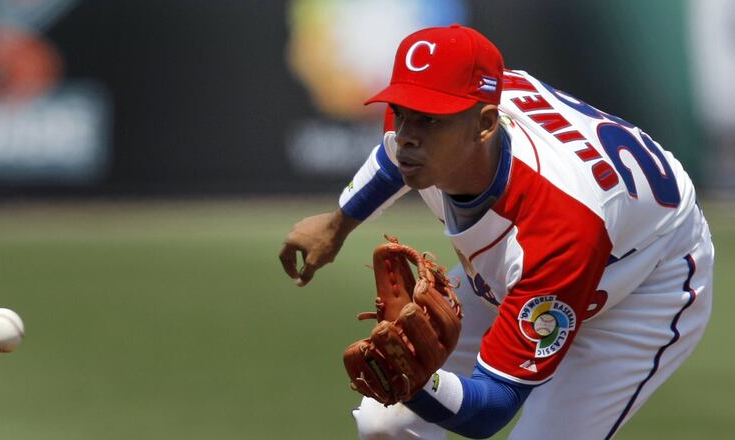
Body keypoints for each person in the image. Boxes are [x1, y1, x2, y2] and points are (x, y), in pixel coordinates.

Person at [279, 24, 713, 439]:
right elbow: (394, 154)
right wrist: (337, 225)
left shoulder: (558, 227)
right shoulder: (443, 120)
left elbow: (493, 408)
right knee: (385, 425)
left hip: (643, 285)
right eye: (401, 110)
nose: (406, 133)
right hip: (545, 262)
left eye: (428, 119)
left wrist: (418, 384)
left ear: (486, 125)